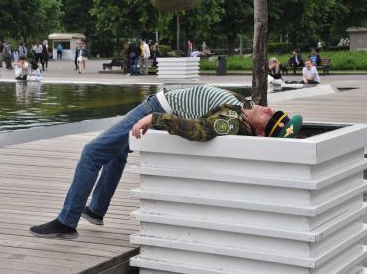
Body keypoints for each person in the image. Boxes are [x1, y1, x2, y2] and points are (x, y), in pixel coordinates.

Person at [29, 84, 303, 239]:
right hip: (161, 106)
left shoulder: (231, 121)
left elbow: (200, 130)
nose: (268, 108)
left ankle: (67, 221)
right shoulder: (241, 113)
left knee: (92, 151)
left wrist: (154, 118)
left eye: (270, 117)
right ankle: (97, 210)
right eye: (274, 111)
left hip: (158, 108)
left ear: (258, 131)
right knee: (119, 149)